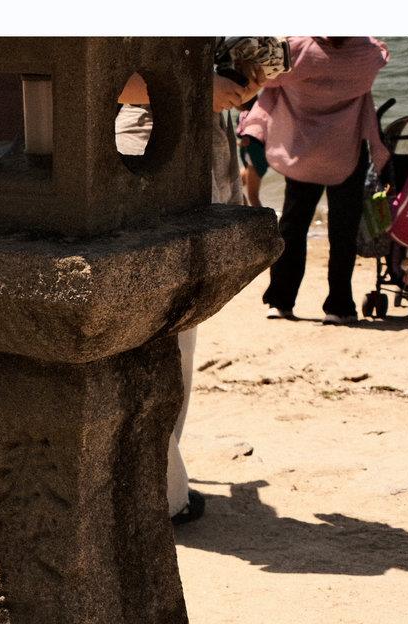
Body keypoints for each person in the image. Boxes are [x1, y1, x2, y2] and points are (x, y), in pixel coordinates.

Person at [116, 47, 273, 523]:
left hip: (189, 157)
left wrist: (244, 78)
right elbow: (100, 74)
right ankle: (160, 495)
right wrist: (200, 88)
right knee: (158, 336)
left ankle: (159, 487)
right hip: (148, 155)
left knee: (174, 333)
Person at [249, 37, 391, 323]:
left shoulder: (299, 50)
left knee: (292, 225)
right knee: (343, 232)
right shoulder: (367, 53)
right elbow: (382, 52)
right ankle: (338, 307)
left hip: (303, 150)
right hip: (346, 149)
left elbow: (265, 73)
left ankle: (280, 301)